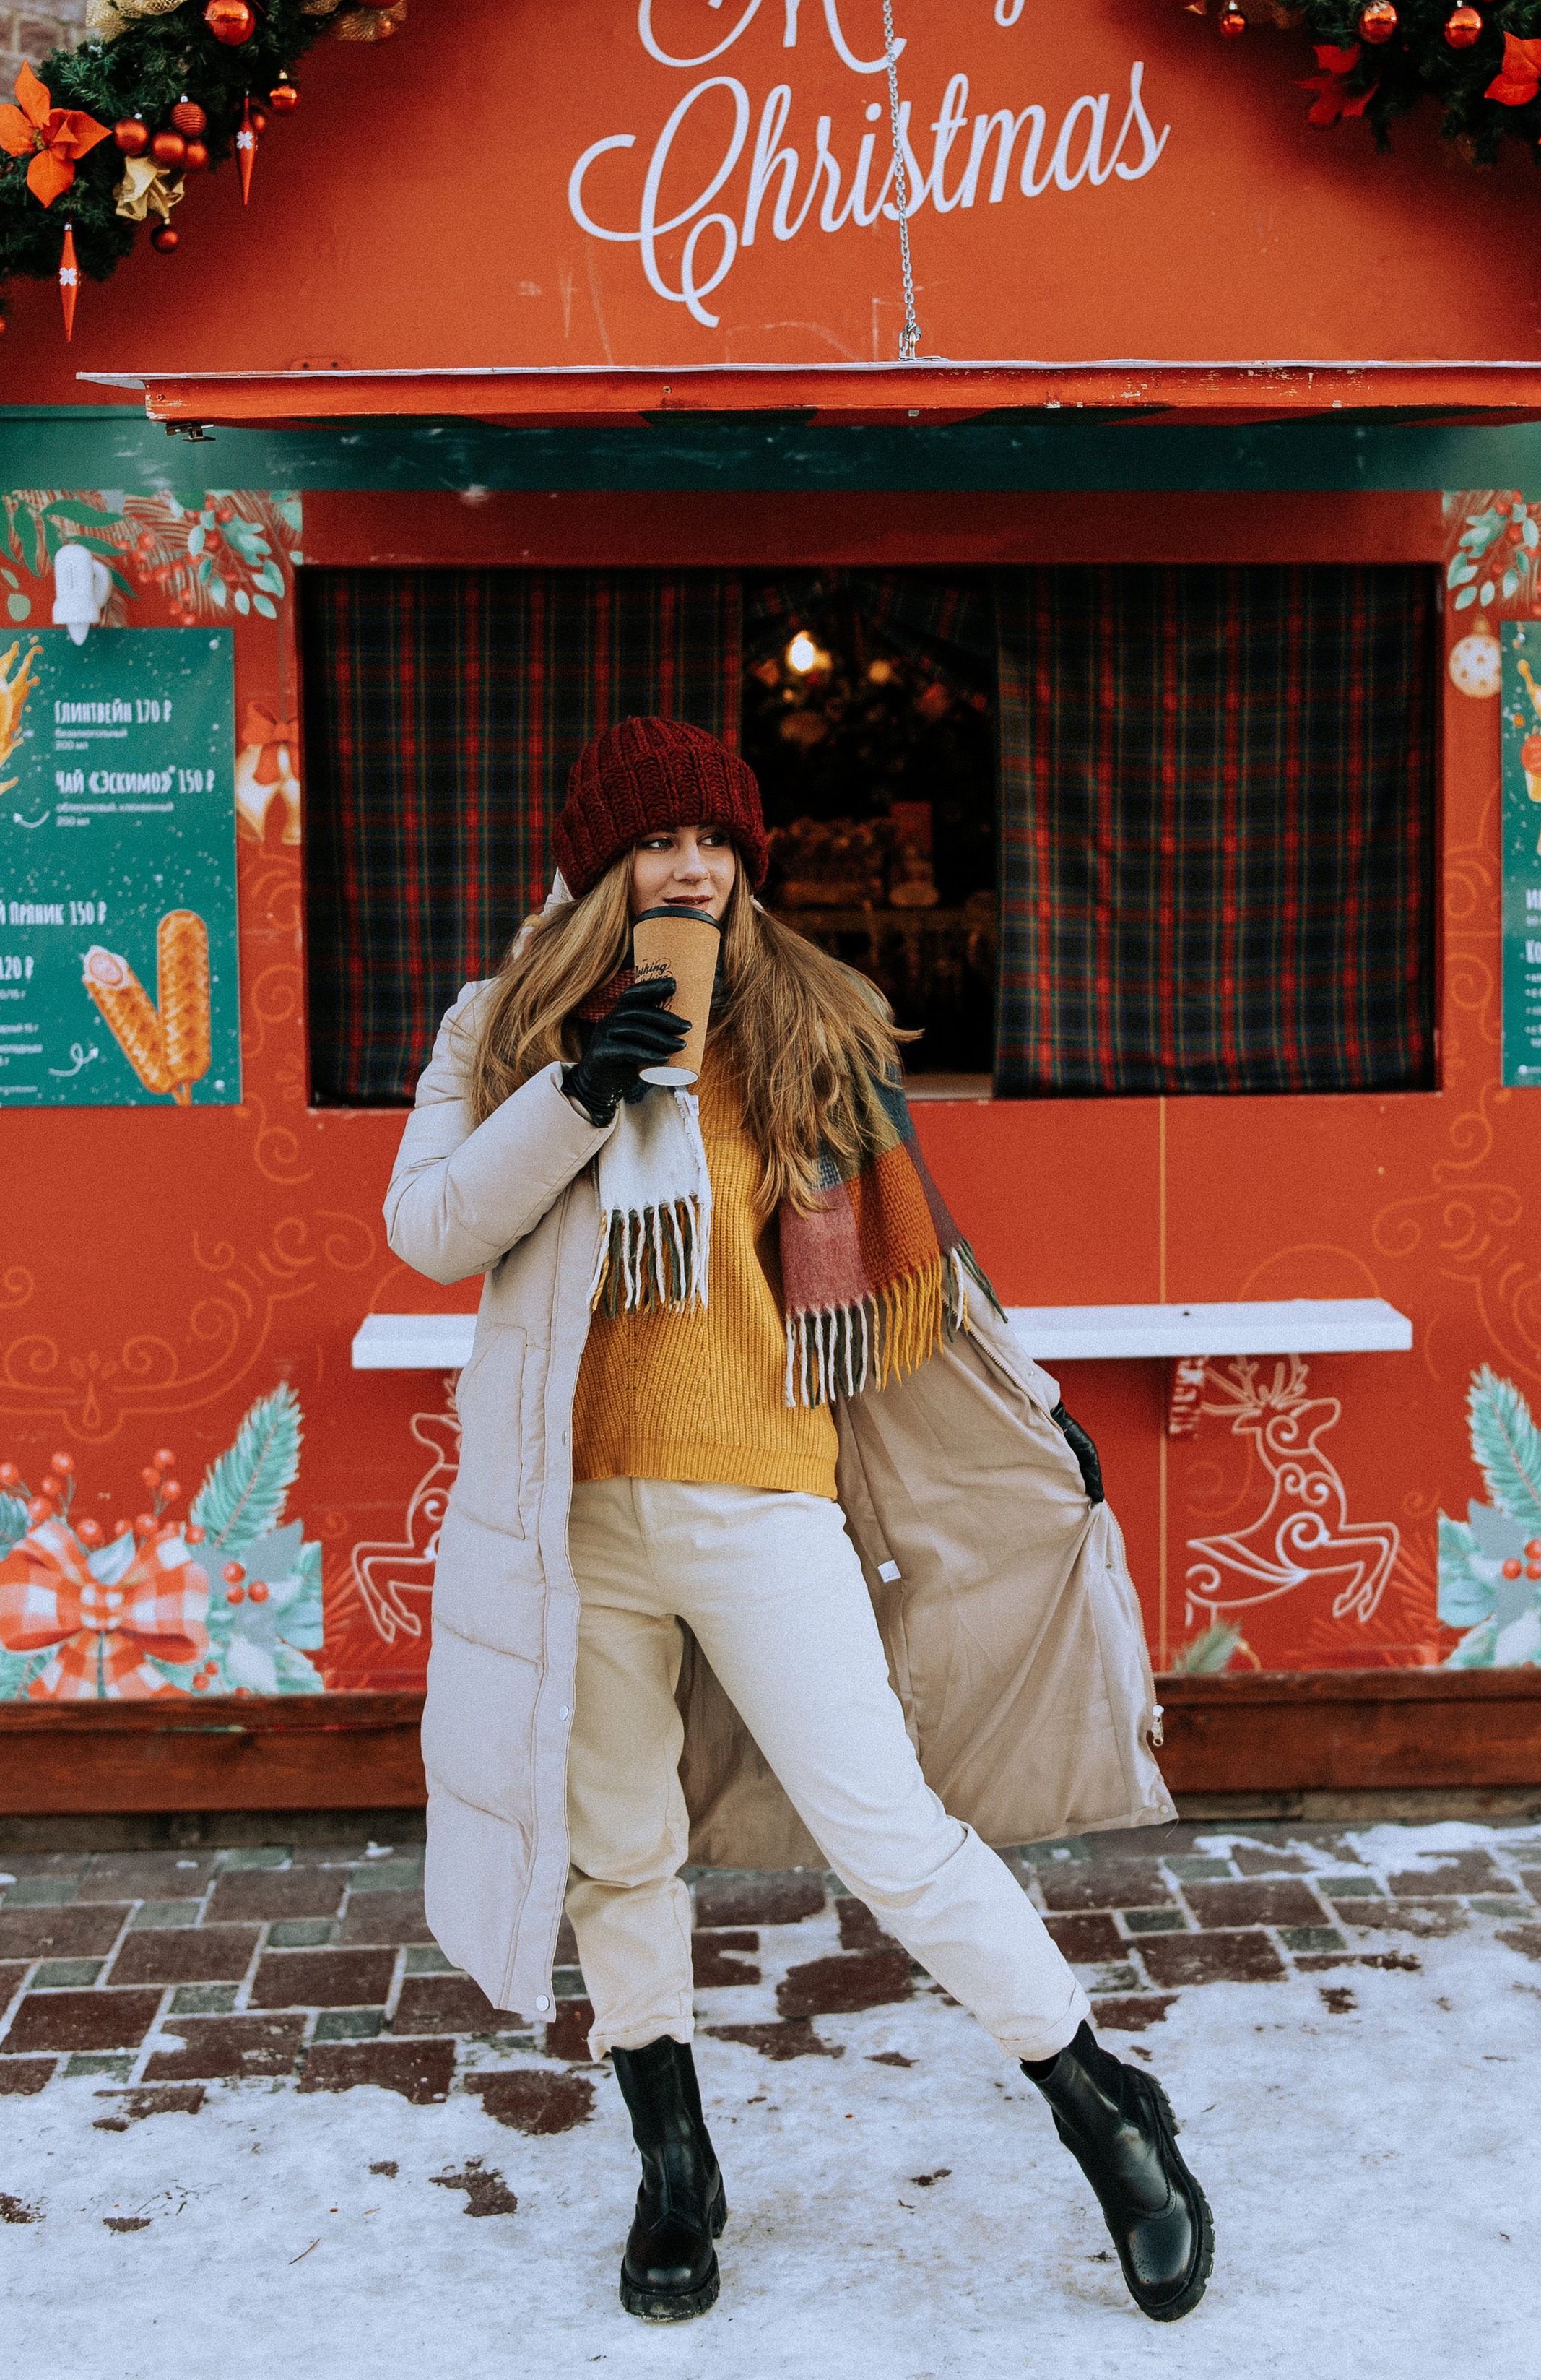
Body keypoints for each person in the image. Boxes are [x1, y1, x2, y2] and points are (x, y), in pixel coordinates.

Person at [384, 714, 1212, 2327]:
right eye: (653, 842)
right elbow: (429, 1230)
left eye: (713, 843)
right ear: (596, 863)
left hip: (759, 1498)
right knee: (619, 1858)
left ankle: (1108, 2119)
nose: (687, 867)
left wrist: (1036, 1409)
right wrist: (572, 1092)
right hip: (569, 1520)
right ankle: (675, 2174)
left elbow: (925, 1260)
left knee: (889, 1832)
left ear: (744, 864)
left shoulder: (803, 1025)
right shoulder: (496, 1028)